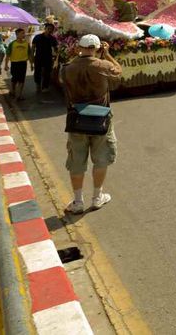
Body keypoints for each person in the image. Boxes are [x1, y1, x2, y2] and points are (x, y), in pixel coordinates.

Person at [60, 34, 122, 213]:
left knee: (77, 161)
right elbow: (118, 71)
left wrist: (76, 54)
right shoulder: (103, 65)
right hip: (100, 120)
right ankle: (97, 197)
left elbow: (63, 75)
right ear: (97, 48)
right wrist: (107, 54)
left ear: (79, 47)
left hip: (77, 119)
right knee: (101, 159)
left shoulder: (68, 68)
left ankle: (78, 201)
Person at [31, 22, 58, 93]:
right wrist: (32, 58)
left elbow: (56, 49)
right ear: (45, 28)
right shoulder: (37, 37)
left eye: (51, 29)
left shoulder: (53, 39)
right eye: (48, 29)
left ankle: (45, 86)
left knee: (47, 73)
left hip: (48, 58)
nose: (50, 30)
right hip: (38, 57)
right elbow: (33, 48)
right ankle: (38, 85)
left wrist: (55, 57)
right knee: (37, 72)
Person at [5, 28, 31, 101]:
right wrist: (6, 65)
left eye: (24, 33)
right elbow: (7, 55)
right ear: (17, 34)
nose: (24, 35)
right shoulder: (12, 44)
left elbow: (30, 54)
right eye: (22, 33)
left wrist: (32, 64)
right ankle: (13, 90)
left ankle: (19, 94)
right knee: (14, 79)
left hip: (23, 63)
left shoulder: (26, 44)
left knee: (22, 79)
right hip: (14, 63)